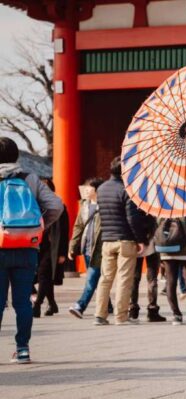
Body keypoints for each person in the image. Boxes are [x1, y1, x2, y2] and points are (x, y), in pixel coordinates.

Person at [0, 137, 63, 363]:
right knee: (23, 302)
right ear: (16, 156)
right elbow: (57, 205)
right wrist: (40, 225)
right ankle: (23, 348)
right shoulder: (30, 179)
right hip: (27, 246)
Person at [93, 156, 149, 326]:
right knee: (124, 278)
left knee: (105, 278)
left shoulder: (101, 189)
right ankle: (121, 316)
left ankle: (99, 314)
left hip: (107, 239)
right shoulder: (126, 190)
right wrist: (141, 239)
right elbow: (132, 218)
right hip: (125, 239)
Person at [68, 177, 108, 318]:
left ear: (97, 190)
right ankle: (108, 306)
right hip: (87, 247)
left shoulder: (105, 206)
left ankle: (80, 305)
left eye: (89, 188)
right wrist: (72, 246)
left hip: (99, 249)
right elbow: (78, 226)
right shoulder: (84, 205)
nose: (85, 190)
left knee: (91, 279)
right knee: (97, 278)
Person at [157, 216, 186, 327]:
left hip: (168, 248)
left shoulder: (163, 206)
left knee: (170, 282)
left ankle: (176, 315)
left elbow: (158, 224)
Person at [33, 179, 70, 317]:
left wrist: (62, 253)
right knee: (46, 277)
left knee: (43, 274)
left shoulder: (59, 207)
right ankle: (52, 303)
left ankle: (37, 305)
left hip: (53, 249)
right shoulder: (35, 206)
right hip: (38, 246)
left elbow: (65, 231)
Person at [129, 213, 166, 323]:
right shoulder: (152, 206)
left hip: (136, 244)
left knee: (134, 279)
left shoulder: (133, 203)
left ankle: (133, 309)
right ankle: (152, 310)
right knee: (152, 279)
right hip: (151, 244)